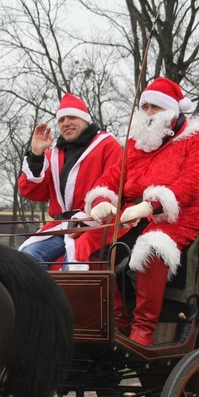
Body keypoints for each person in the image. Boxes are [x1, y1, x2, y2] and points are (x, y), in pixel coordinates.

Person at [83, 77, 199, 346]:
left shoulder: (198, 142)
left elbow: (191, 185)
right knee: (94, 243)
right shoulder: (136, 145)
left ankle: (143, 327)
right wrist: (101, 201)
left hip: (181, 220)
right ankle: (116, 318)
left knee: (152, 246)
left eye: (156, 107)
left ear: (172, 111)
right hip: (136, 218)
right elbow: (111, 178)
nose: (149, 113)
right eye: (146, 108)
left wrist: (152, 204)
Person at [17, 93, 122, 268]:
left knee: (74, 262)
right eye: (61, 119)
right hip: (61, 226)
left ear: (85, 120)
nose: (66, 123)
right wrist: (36, 155)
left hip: (95, 226)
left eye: (72, 117)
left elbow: (115, 185)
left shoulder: (107, 145)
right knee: (28, 257)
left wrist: (90, 216)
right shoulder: (52, 156)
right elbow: (32, 192)